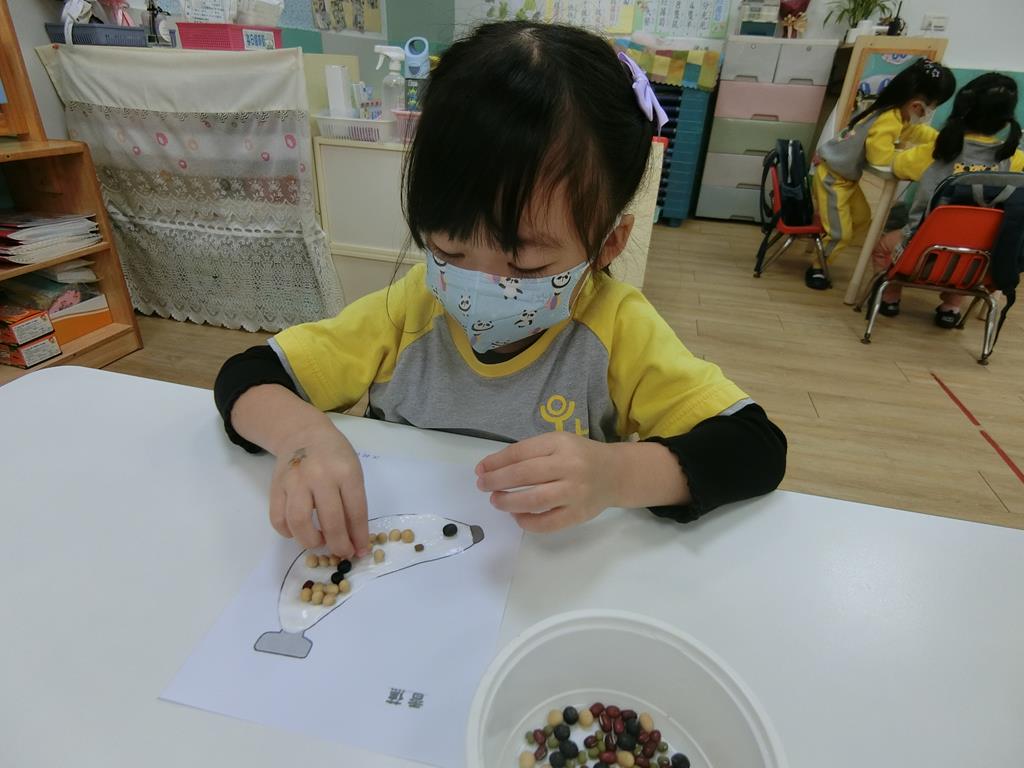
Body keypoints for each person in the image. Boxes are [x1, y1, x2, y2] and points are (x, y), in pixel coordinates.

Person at [213, 22, 787, 558]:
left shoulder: (618, 331)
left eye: (526, 263)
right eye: (449, 249)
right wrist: (305, 438)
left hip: (548, 572)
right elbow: (249, 374)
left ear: (608, 244)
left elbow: (754, 446)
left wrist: (614, 474)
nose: (480, 284)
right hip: (405, 554)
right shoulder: (411, 308)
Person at [872, 72, 1024, 327]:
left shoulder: (938, 150)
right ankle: (951, 308)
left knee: (882, 246)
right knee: (972, 242)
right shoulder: (1014, 160)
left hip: (920, 257)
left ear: (963, 108)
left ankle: (890, 296)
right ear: (1005, 120)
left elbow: (897, 166)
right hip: (978, 265)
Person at [808, 58, 956, 289]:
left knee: (861, 219)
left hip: (844, 177)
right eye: (932, 107)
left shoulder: (895, 114)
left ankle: (826, 238)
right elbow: (880, 158)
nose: (929, 113)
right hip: (832, 177)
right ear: (917, 105)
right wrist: (908, 157)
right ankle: (818, 266)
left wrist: (942, 140)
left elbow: (916, 132)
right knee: (841, 234)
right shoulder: (889, 118)